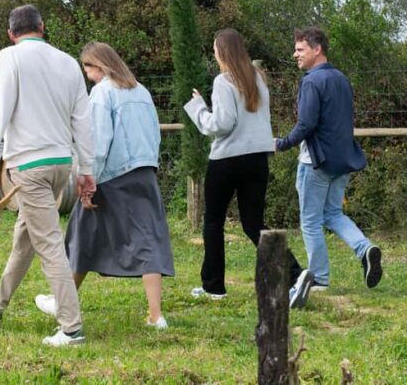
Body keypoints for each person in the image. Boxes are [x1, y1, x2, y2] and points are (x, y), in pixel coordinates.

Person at [0, 5, 96, 347]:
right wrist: (87, 169)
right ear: (42, 26)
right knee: (26, 238)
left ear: (11, 34)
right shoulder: (67, 62)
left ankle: (71, 328)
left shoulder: (10, 58)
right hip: (61, 165)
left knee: (48, 243)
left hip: (29, 167)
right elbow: (83, 119)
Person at [34, 42, 175, 329]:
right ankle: (156, 316)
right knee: (148, 240)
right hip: (144, 172)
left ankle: (62, 301)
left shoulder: (101, 93)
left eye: (87, 67)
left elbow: (97, 142)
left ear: (97, 65)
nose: (86, 73)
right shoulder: (141, 90)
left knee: (80, 236)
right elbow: (154, 134)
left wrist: (88, 181)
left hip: (112, 176)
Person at [185, 28, 314, 309]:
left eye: (215, 49)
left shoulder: (223, 81)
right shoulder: (258, 78)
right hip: (258, 158)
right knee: (254, 223)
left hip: (228, 159)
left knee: (213, 221)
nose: (214, 54)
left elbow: (221, 124)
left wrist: (197, 108)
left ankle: (213, 286)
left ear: (222, 51)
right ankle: (296, 274)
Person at [275, 26, 382, 292]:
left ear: (316, 48)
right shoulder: (341, 79)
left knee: (310, 220)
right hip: (342, 159)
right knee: (332, 213)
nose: (295, 54)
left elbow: (306, 124)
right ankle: (364, 248)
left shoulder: (312, 81)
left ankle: (319, 279)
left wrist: (281, 143)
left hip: (316, 162)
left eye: (300, 49)